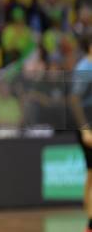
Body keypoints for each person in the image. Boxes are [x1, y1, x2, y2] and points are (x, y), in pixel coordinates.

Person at [71, 35, 92, 232]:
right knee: (91, 174)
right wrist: (85, 129)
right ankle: (90, 223)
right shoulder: (84, 68)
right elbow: (75, 100)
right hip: (88, 125)